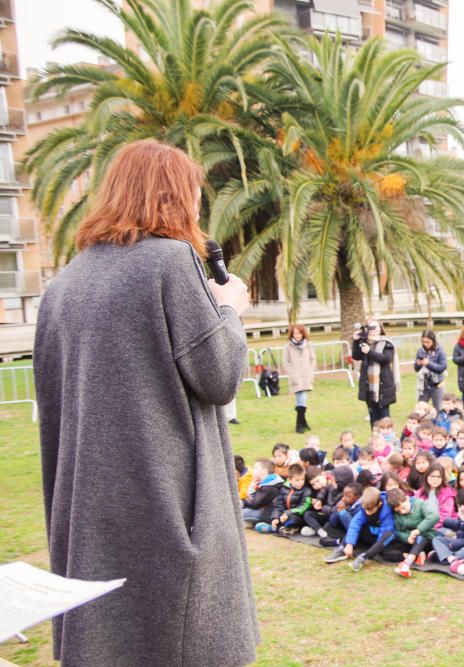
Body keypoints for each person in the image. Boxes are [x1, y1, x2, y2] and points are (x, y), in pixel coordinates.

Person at [34, 139, 257, 666]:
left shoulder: (64, 284)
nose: (199, 208)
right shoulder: (171, 262)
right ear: (174, 197)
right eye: (194, 195)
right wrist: (229, 309)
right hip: (170, 508)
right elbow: (219, 375)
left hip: (91, 516)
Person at [353, 319, 399, 427]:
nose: (372, 330)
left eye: (375, 327)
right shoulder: (364, 342)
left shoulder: (387, 343)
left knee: (384, 418)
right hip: (369, 386)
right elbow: (356, 356)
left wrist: (369, 352)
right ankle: (375, 441)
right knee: (373, 419)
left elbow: (386, 359)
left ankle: (387, 440)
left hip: (383, 386)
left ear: (380, 329)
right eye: (370, 328)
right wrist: (356, 341)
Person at [284, 323, 316, 434]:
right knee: (301, 399)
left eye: (299, 333)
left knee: (301, 400)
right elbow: (285, 362)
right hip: (296, 378)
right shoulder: (288, 346)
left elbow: (312, 359)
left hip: (306, 376)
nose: (297, 335)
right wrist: (292, 374)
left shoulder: (308, 345)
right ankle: (299, 424)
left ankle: (303, 422)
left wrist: (310, 372)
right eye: (295, 333)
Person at [414, 329, 447, 410]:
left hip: (437, 385)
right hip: (424, 385)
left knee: (438, 409)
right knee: (420, 409)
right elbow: (416, 369)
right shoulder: (420, 350)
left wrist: (428, 364)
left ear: (433, 340)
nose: (425, 344)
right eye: (423, 342)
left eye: (428, 342)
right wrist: (418, 364)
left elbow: (442, 367)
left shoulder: (440, 351)